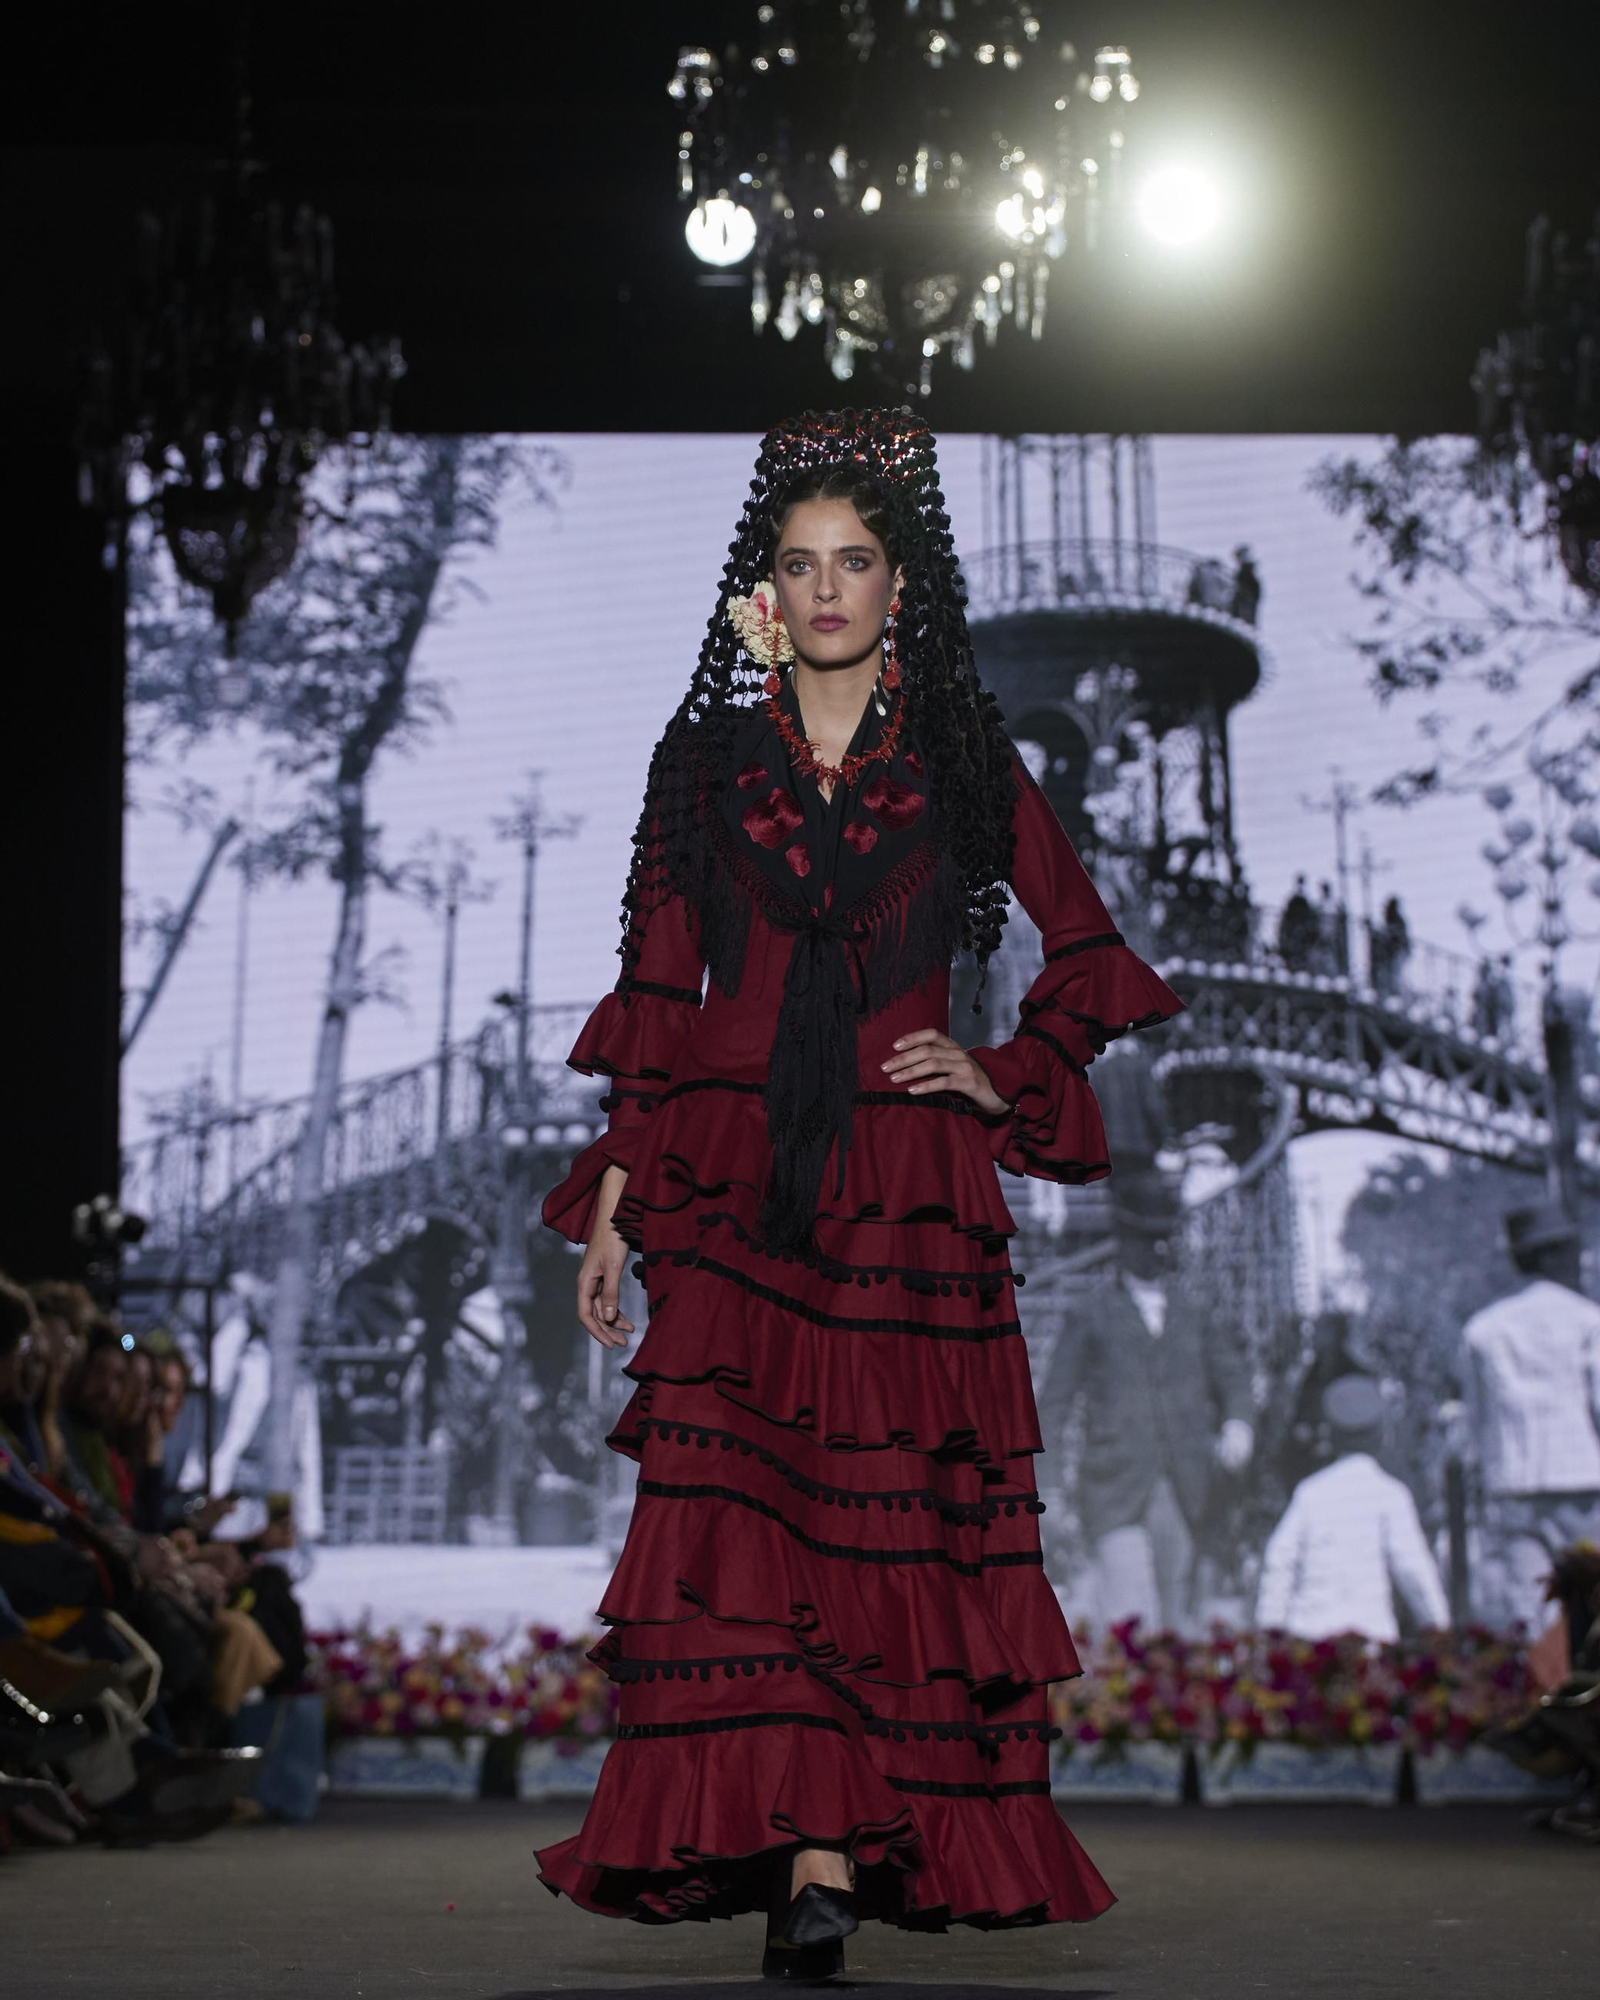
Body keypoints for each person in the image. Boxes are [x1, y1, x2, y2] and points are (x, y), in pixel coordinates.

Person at [534, 410, 1185, 1978]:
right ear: (765, 589)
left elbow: (1090, 957)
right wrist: (623, 1193)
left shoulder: (965, 765)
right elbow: (657, 991)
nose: (828, 589)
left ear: (902, 588)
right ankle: (804, 1849)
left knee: (889, 1534)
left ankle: (825, 1858)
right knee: (748, 1530)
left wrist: (1000, 1065)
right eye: (799, 564)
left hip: (903, 1196)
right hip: (742, 1185)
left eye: (857, 563)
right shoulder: (699, 769)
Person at [1036, 1170, 1255, 1634]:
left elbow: (1233, 1377)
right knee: (1132, 1625)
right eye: (1144, 1236)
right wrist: (1050, 1489)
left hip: (1189, 1490)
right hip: (1116, 1490)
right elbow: (1050, 1409)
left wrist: (1238, 1424)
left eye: (1163, 1237)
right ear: (1122, 1239)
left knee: (1181, 1629)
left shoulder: (1194, 1312)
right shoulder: (1091, 1315)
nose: (1156, 1248)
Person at [1460, 1203, 1600, 1629]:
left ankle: (1545, 1690)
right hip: (1580, 1483)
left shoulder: (1482, 1330)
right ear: (1556, 1254)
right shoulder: (1588, 1321)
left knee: (1532, 1608)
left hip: (1512, 1485)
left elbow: (1477, 1422)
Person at [1255, 1374, 1448, 1641]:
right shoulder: (1390, 1495)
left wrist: (1271, 1628)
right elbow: (1413, 1570)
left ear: (1331, 1436)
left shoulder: (1309, 1494)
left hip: (1312, 1637)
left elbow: (1279, 1560)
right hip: (1368, 1636)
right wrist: (1438, 1627)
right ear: (1382, 1435)